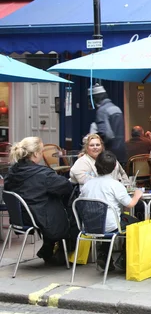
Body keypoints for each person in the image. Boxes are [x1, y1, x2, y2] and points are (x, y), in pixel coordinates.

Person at [4, 137, 77, 265]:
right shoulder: (42, 174)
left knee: (52, 199)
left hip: (22, 216)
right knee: (70, 203)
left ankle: (48, 247)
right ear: (36, 154)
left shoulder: (12, 172)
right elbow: (66, 187)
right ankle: (64, 248)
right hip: (40, 218)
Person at [80, 151, 142, 271]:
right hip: (110, 225)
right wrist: (137, 195)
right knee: (135, 224)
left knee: (110, 220)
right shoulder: (115, 185)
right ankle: (123, 259)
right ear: (115, 167)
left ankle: (104, 255)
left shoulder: (87, 184)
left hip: (89, 225)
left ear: (96, 166)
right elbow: (130, 204)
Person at [91, 84, 126, 165]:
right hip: (121, 151)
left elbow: (105, 134)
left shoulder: (102, 110)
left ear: (96, 98)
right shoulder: (117, 108)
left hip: (109, 154)